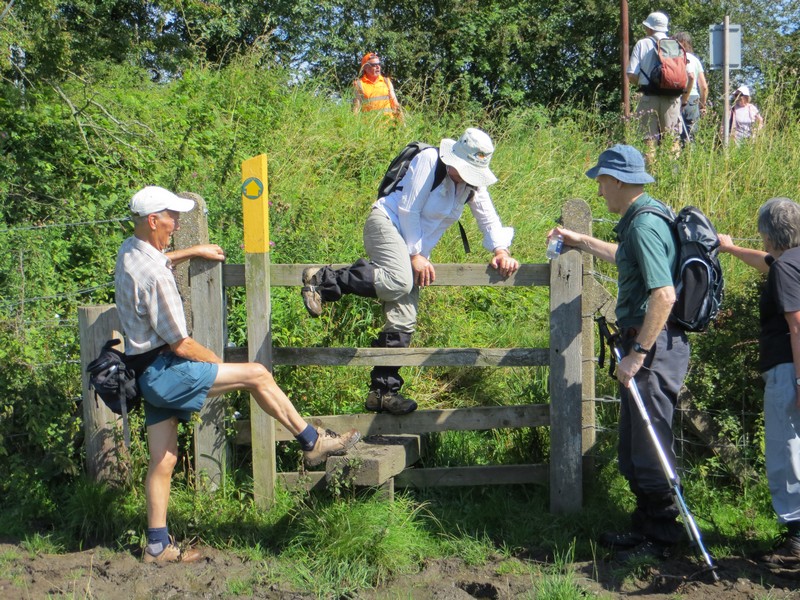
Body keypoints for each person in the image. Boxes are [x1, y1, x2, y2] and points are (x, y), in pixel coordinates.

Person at [115, 186, 361, 564]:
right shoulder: (157, 278)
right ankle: (312, 441)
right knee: (257, 374)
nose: (176, 224)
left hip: (143, 373)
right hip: (166, 371)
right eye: (171, 217)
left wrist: (191, 252)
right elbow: (181, 344)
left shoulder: (129, 251)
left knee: (163, 461)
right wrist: (216, 364)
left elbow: (157, 262)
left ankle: (156, 546)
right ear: (153, 220)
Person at [301, 128, 519, 415]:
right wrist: (416, 255)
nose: (469, 177)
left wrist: (501, 251)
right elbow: (408, 209)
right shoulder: (430, 160)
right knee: (398, 281)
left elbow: (488, 218)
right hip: (387, 224)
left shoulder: (471, 184)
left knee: (404, 320)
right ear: (454, 159)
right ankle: (322, 279)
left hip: (414, 251)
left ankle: (382, 393)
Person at [547, 144, 689, 560]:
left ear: (619, 181)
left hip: (652, 347)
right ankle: (645, 528)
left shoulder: (644, 225)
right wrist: (580, 240)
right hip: (650, 344)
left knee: (649, 442)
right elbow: (625, 258)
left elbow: (664, 294)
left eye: (602, 181)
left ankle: (662, 537)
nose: (599, 189)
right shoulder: (645, 218)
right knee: (636, 443)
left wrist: (638, 353)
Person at [717, 199, 800, 569]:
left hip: (788, 368)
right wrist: (731, 248)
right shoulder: (791, 262)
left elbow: (797, 324)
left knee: (787, 450)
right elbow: (767, 262)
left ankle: (796, 540)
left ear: (768, 234)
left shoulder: (785, 268)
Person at [627, 12, 694, 162]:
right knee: (672, 140)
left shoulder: (642, 44)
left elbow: (631, 74)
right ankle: (672, 173)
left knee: (649, 141)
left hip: (648, 98)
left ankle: (651, 174)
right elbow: (690, 77)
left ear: (650, 28)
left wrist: (643, 84)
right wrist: (684, 99)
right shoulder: (675, 45)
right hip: (672, 99)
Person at [674, 32, 708, 144]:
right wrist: (702, 105)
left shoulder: (674, 58)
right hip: (693, 99)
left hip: (675, 97)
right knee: (691, 134)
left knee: (674, 134)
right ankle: (691, 154)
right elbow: (704, 87)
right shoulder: (695, 60)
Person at [353, 52, 404, 122]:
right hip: (369, 127)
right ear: (365, 68)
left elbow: (395, 105)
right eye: (374, 65)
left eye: (379, 64)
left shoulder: (386, 81)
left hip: (389, 126)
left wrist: (403, 124)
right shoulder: (359, 84)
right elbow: (356, 109)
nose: (378, 67)